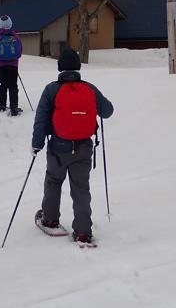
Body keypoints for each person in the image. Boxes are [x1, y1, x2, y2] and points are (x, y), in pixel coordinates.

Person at [31, 49, 114, 244]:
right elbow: (107, 111)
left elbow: (41, 119)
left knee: (53, 181)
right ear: (78, 66)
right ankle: (83, 231)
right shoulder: (89, 88)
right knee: (80, 189)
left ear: (59, 67)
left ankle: (50, 220)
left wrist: (37, 144)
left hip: (58, 146)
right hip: (84, 148)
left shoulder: (52, 89)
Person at [0, 15, 23, 116]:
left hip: (0, 65)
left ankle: (2, 105)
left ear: (0, 25)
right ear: (10, 24)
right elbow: (20, 51)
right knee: (13, 85)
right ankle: (14, 107)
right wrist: (14, 59)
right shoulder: (15, 37)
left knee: (3, 84)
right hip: (13, 65)